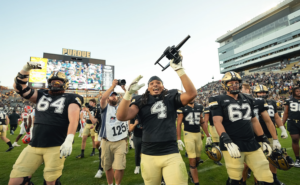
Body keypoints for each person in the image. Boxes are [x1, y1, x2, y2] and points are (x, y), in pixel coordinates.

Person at [117, 51, 197, 185]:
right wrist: (128, 94)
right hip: (149, 154)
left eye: (158, 82)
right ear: (148, 88)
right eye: (152, 83)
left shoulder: (171, 96)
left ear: (163, 86)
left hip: (171, 152)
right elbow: (121, 116)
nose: (155, 84)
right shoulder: (140, 99)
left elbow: (192, 94)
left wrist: (179, 69)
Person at [9, 62, 83, 185]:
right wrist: (25, 69)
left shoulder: (72, 97)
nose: (55, 84)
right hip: (34, 144)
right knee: (16, 180)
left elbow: (73, 119)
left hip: (55, 145)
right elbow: (19, 87)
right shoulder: (41, 94)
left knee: (50, 182)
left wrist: (69, 138)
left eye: (58, 82)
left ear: (65, 83)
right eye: (53, 82)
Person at [209, 71, 274, 185]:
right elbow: (217, 121)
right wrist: (227, 140)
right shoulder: (217, 99)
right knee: (235, 177)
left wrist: (263, 138)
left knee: (266, 175)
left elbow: (253, 120)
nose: (234, 85)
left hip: (251, 141)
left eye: (236, 82)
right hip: (232, 143)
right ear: (225, 85)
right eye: (231, 83)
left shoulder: (248, 98)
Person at [251, 85, 288, 185]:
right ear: (256, 93)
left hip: (271, 134)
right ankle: (258, 181)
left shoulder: (272, 102)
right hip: (257, 135)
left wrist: (282, 129)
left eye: (264, 92)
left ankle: (274, 178)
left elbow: (276, 118)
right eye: (260, 93)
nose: (262, 94)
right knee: (258, 161)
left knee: (274, 157)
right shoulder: (253, 102)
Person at [98, 82, 128, 185]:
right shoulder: (105, 108)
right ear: (108, 99)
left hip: (120, 141)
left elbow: (132, 99)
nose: (114, 97)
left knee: (120, 166)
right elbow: (102, 99)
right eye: (111, 96)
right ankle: (110, 184)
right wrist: (112, 86)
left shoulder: (121, 107)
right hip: (106, 140)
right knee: (107, 166)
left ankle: (117, 184)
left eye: (115, 95)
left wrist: (125, 89)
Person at [176, 98, 205, 185]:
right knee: (192, 159)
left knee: (197, 158)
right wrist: (179, 139)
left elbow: (202, 122)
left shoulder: (199, 106)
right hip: (188, 134)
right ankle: (195, 179)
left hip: (198, 133)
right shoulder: (182, 108)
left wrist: (208, 134)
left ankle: (192, 170)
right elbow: (179, 124)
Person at [282, 85, 300, 167]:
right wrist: (282, 124)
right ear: (293, 92)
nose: (299, 92)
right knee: (295, 139)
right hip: (293, 122)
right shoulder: (289, 101)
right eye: (297, 91)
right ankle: (298, 159)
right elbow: (286, 113)